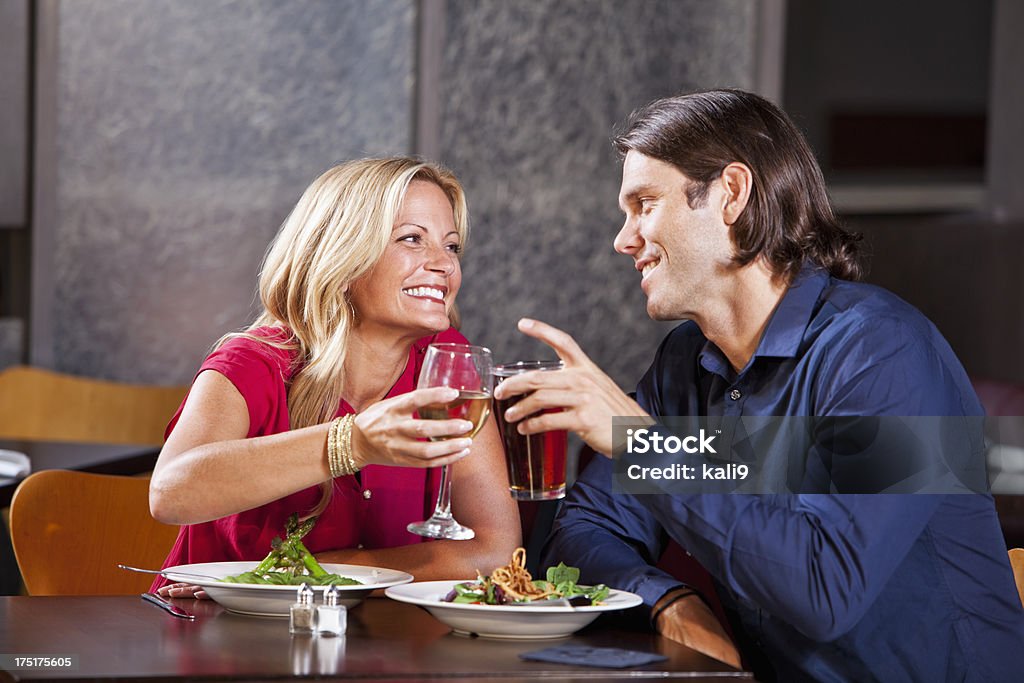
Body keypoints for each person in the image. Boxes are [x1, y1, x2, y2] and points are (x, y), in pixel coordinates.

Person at [492, 90, 1024, 681]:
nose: (624, 239)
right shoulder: (685, 367)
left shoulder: (887, 353)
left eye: (644, 204)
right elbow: (583, 532)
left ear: (731, 194)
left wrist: (647, 445)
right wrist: (671, 602)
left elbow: (825, 592)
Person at [149, 157, 520, 598]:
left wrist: (315, 573)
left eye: (452, 246)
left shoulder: (448, 364)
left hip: (383, 649)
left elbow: (495, 553)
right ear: (343, 257)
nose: (444, 264)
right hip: (223, 637)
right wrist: (352, 443)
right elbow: (171, 493)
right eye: (411, 239)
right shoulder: (255, 361)